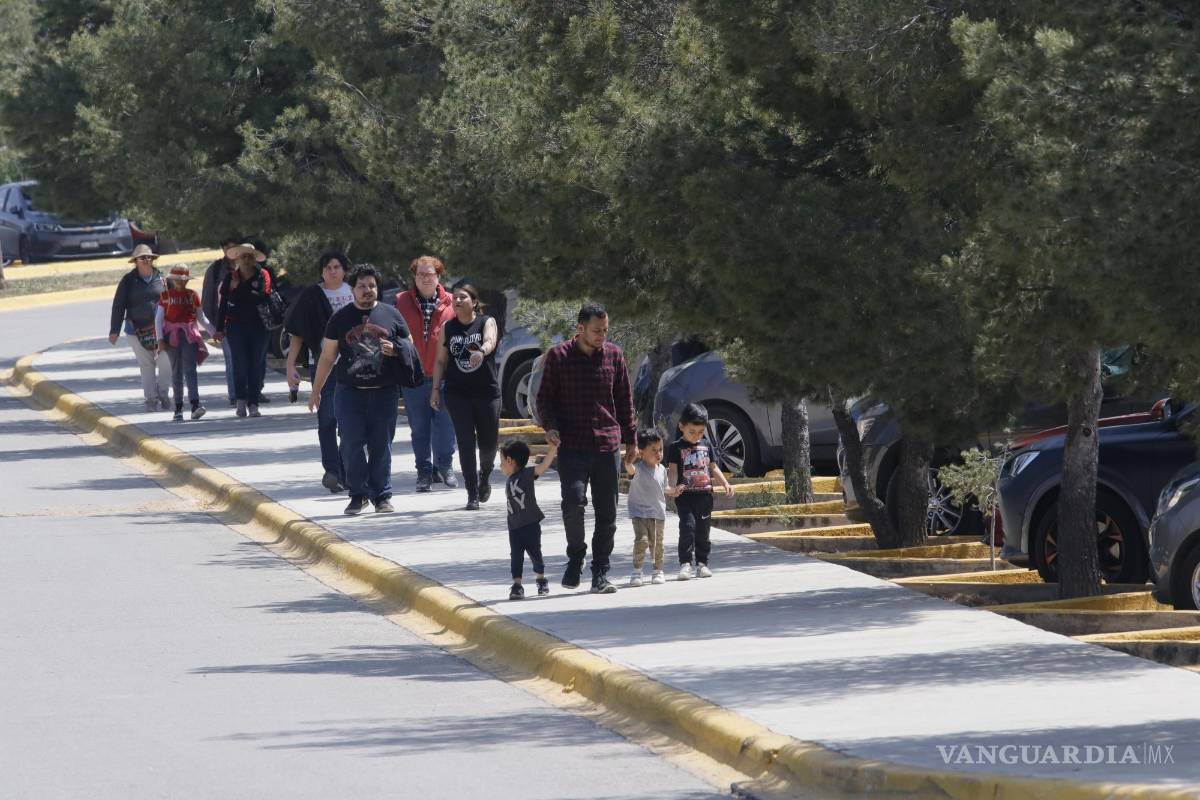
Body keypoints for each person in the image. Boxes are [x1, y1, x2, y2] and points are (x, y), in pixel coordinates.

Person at [535, 302, 638, 594]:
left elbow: (624, 400)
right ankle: (575, 558)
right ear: (580, 328)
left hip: (607, 445)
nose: (601, 336)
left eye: (605, 330)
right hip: (572, 445)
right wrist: (551, 427)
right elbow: (545, 399)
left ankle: (601, 572)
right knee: (573, 506)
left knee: (607, 513)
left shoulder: (614, 356)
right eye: (596, 330)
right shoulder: (558, 356)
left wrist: (631, 439)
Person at [309, 264, 418, 516]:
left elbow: (409, 347)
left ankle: (382, 495)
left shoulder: (392, 314)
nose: (367, 290)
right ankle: (358, 495)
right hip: (349, 392)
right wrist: (316, 391)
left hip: (384, 391)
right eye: (361, 286)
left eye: (372, 286)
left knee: (381, 444)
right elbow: (327, 357)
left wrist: (396, 348)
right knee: (351, 443)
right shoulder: (340, 318)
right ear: (352, 289)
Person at [285, 250, 354, 493]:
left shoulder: (355, 292)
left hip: (354, 365)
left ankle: (348, 470)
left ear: (344, 270)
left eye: (336, 267)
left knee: (349, 423)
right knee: (326, 419)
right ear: (321, 271)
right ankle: (332, 471)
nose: (332, 271)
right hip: (322, 365)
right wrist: (290, 364)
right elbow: (297, 333)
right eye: (327, 267)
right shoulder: (312, 296)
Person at [430, 284, 500, 510]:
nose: (458, 300)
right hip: (457, 392)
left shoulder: (485, 321)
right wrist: (435, 389)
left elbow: (490, 340)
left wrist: (481, 351)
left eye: (463, 297)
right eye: (455, 298)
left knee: (489, 443)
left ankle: (485, 474)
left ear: (474, 302)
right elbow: (441, 360)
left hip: (486, 392)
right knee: (465, 442)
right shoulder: (448, 328)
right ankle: (472, 494)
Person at [395, 255, 457, 492]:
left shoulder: (452, 302)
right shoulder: (400, 301)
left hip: (445, 375)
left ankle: (445, 466)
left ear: (438, 276)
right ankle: (424, 471)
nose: (425, 278)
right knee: (419, 427)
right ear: (414, 277)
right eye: (420, 274)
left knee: (445, 423)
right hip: (414, 376)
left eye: (430, 274)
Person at [667, 403, 735, 580]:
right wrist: (672, 487)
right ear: (681, 426)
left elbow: (714, 468)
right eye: (692, 432)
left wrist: (725, 483)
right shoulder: (675, 447)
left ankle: (702, 563)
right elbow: (673, 471)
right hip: (685, 497)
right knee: (687, 527)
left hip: (705, 496)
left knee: (703, 531)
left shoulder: (706, 445)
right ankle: (685, 564)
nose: (696, 436)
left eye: (700, 432)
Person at [108, 244, 171, 412]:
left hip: (162, 330)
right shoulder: (128, 281)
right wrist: (114, 330)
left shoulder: (163, 279)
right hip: (135, 330)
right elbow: (118, 306)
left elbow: (173, 301)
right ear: (135, 261)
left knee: (166, 362)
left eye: (149, 257)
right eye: (142, 258)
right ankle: (150, 399)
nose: (146, 260)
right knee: (146, 365)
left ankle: (164, 394)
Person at [213, 242, 273, 418]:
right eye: (243, 256)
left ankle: (253, 403)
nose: (246, 260)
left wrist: (238, 289)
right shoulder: (229, 278)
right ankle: (240, 400)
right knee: (239, 364)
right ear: (237, 258)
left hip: (259, 326)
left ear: (254, 259)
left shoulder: (264, 275)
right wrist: (219, 328)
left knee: (256, 364)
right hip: (235, 326)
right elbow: (223, 303)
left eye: (250, 256)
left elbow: (261, 297)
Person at [154, 264, 215, 421]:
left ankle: (195, 404)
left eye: (184, 280)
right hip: (171, 338)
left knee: (190, 369)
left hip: (189, 336)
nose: (181, 283)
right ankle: (178, 407)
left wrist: (214, 332)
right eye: (178, 280)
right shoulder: (165, 297)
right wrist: (160, 339)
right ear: (172, 280)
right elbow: (158, 319)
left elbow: (201, 318)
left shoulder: (193, 295)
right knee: (176, 372)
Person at [500, 439, 558, 600]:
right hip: (514, 527)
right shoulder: (509, 479)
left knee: (535, 554)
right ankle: (517, 585)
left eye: (502, 462)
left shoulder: (526, 474)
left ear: (510, 461)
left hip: (530, 524)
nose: (500, 466)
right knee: (516, 556)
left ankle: (541, 579)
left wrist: (552, 449)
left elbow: (544, 466)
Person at [626, 428, 669, 586]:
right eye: (654, 450)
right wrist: (629, 461)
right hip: (639, 513)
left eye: (660, 449)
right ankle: (637, 571)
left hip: (657, 513)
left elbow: (665, 488)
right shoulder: (639, 468)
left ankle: (658, 571)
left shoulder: (662, 470)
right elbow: (630, 469)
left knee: (657, 544)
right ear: (642, 453)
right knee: (642, 541)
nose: (658, 453)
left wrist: (674, 490)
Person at [201, 237, 241, 406]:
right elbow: (207, 300)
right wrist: (215, 325)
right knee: (231, 359)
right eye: (227, 247)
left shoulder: (248, 266)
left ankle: (252, 393)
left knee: (249, 360)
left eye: (234, 247)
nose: (231, 251)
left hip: (247, 322)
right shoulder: (216, 269)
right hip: (225, 323)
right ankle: (235, 395)